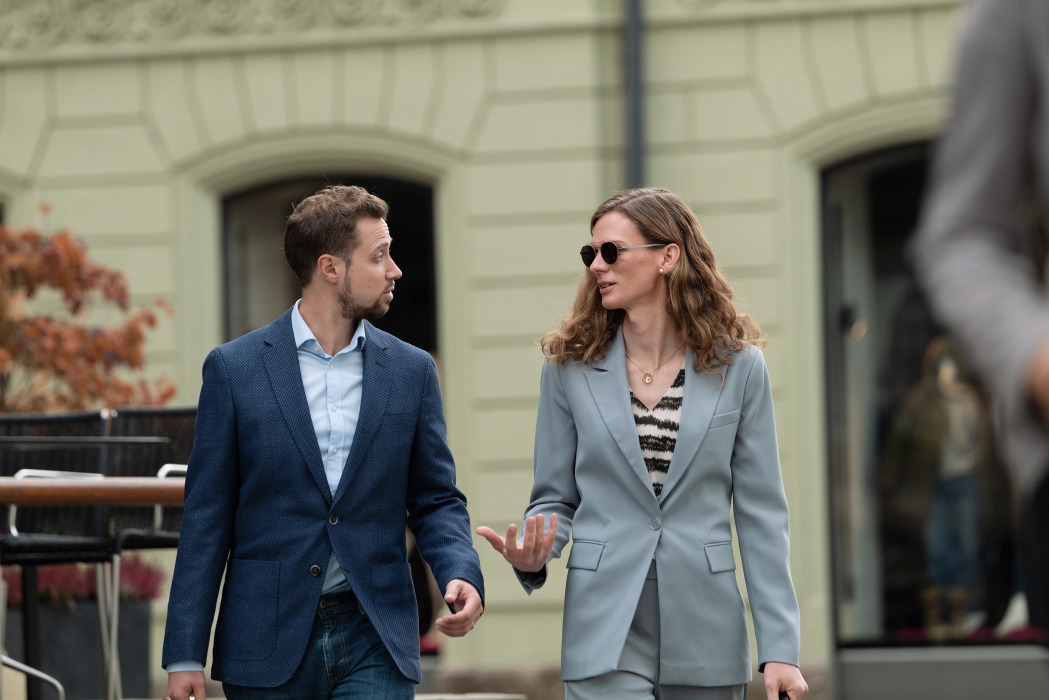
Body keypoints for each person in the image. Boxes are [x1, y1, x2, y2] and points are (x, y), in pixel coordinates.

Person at [478, 187, 808, 700]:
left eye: (611, 251)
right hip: (605, 622)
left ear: (667, 256)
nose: (596, 266)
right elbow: (555, 497)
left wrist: (780, 649)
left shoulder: (740, 368)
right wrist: (535, 554)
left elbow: (762, 514)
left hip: (706, 624)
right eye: (591, 253)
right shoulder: (568, 367)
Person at [162, 185, 485, 699]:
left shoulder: (412, 371)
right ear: (330, 267)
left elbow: (436, 498)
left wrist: (459, 570)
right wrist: (185, 652)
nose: (395, 269)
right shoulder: (234, 370)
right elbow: (207, 516)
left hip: (375, 631)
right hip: (264, 637)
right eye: (379, 256)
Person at [912, 0, 1049, 635]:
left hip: (973, 485)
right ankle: (963, 607)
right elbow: (962, 235)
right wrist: (1033, 356)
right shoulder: (1017, 14)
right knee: (951, 550)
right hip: (964, 484)